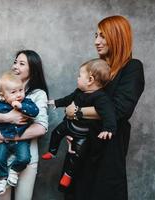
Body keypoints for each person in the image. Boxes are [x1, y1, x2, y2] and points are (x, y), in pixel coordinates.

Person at [62, 15, 145, 200]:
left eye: (103, 36)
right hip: (82, 148)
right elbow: (77, 98)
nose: (96, 41)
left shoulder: (132, 68)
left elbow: (117, 111)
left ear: (118, 37)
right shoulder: (97, 68)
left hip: (108, 152)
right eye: (96, 35)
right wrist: (71, 133)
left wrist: (76, 112)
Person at [0, 50, 48, 200]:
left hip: (26, 155)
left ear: (33, 69)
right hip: (0, 152)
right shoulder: (2, 89)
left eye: (21, 63)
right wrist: (7, 118)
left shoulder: (38, 94)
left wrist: (9, 137)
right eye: (15, 62)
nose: (15, 66)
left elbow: (41, 127)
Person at [41, 58, 116, 188]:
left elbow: (109, 114)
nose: (77, 78)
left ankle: (68, 175)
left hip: (83, 134)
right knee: (56, 133)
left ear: (90, 80)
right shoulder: (79, 92)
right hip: (70, 124)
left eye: (79, 76)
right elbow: (68, 99)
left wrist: (108, 129)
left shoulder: (101, 98)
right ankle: (52, 151)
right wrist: (56, 102)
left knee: (76, 155)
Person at [0, 71, 39, 195]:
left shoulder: (27, 102)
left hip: (20, 139)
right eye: (13, 92)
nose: (18, 95)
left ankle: (14, 171)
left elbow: (35, 112)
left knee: (25, 158)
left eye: (21, 90)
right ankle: (3, 178)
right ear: (2, 95)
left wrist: (21, 106)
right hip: (3, 140)